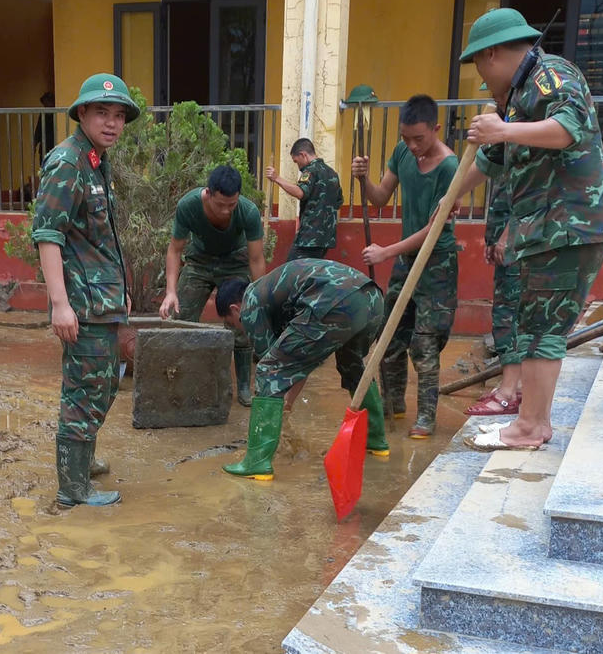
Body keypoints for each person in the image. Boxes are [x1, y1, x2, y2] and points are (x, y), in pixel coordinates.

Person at [454, 7, 603, 450]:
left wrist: (504, 130)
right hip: (548, 230)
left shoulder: (551, 75)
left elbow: (565, 130)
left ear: (490, 55)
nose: (483, 80)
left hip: (567, 225)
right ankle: (532, 422)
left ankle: (529, 428)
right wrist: (447, 202)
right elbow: (487, 162)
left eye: (479, 68)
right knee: (535, 325)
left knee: (542, 329)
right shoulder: (519, 95)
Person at [32, 73, 137, 508]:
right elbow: (48, 235)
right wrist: (60, 304)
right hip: (82, 304)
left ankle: (83, 460)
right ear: (82, 114)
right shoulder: (67, 163)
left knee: (104, 385)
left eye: (119, 115)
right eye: (102, 113)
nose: (112, 123)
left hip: (102, 300)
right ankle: (72, 489)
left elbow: (99, 238)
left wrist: (121, 290)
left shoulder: (95, 160)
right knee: (84, 392)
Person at [215, 260, 389, 480]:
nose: (238, 328)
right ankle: (376, 441)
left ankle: (256, 461)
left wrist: (284, 405)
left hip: (333, 301)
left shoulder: (250, 304)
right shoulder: (273, 293)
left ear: (235, 309)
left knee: (268, 369)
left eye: (232, 323)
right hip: (372, 298)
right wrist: (287, 405)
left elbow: (276, 369)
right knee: (351, 365)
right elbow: (299, 362)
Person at [352, 95, 459, 439]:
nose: (412, 146)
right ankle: (392, 403)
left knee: (424, 344)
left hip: (437, 263)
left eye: (419, 139)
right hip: (405, 259)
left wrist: (386, 252)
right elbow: (380, 197)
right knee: (390, 336)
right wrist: (363, 179)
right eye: (406, 138)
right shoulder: (402, 153)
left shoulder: (450, 168)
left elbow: (434, 228)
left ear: (436, 129)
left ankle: (426, 416)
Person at [158, 165, 266, 406]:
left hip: (234, 263)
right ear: (208, 193)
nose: (226, 210)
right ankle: (182, 380)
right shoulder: (189, 205)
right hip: (199, 262)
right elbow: (175, 249)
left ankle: (244, 386)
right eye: (221, 205)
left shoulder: (248, 211)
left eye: (232, 205)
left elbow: (256, 258)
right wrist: (171, 292)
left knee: (242, 320)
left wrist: (258, 298)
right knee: (180, 317)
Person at [466, 166, 523, 416]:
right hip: (510, 245)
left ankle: (509, 391)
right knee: (509, 314)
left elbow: (526, 201)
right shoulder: (507, 153)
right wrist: (493, 240)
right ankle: (514, 385)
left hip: (519, 247)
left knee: (507, 316)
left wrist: (505, 237)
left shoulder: (527, 149)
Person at [265, 138, 342, 261]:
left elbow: (300, 192)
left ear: (303, 155)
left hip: (309, 237)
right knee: (311, 270)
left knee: (292, 268)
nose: (298, 166)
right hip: (326, 238)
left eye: (296, 161)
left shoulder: (310, 171)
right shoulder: (332, 173)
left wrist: (276, 178)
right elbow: (339, 201)